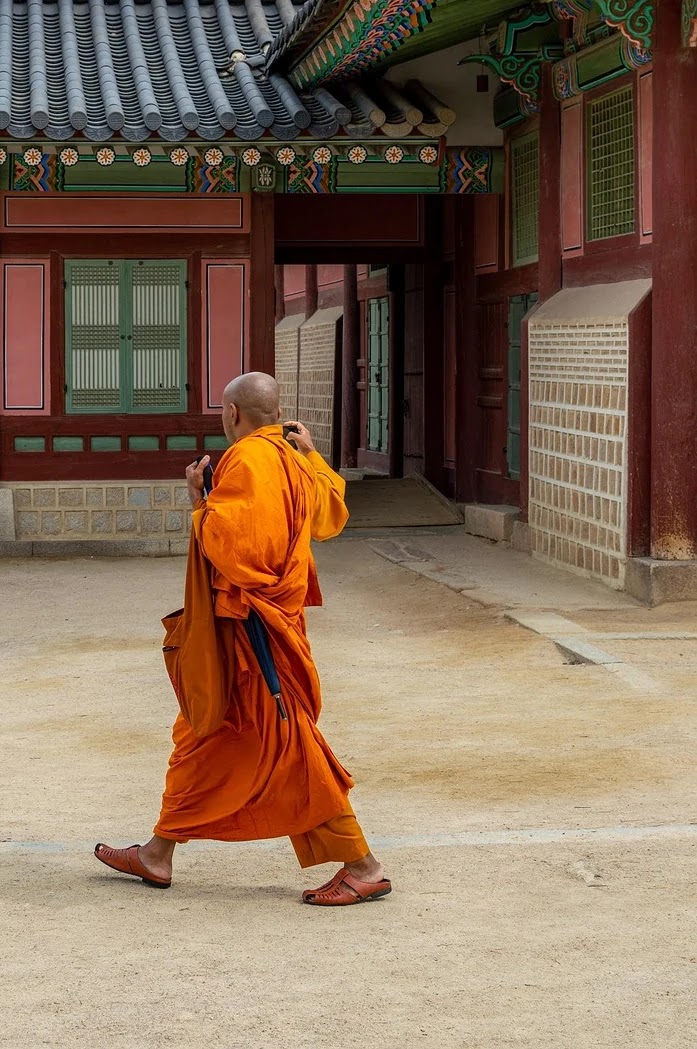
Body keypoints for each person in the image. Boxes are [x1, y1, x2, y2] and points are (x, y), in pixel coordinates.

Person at [95, 372, 391, 906]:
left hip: (253, 630)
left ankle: (363, 865)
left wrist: (199, 502)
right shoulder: (293, 456)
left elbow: (237, 551)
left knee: (286, 739)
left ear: (232, 413)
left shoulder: (248, 460)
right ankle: (158, 853)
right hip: (271, 623)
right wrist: (312, 455)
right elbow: (331, 515)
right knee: (206, 733)